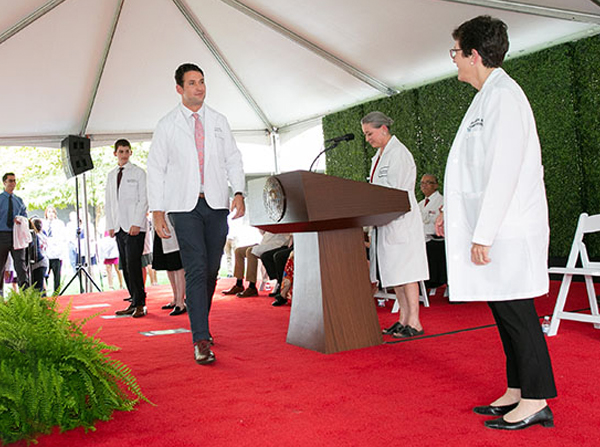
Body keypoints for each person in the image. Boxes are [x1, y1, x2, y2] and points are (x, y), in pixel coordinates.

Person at [436, 15, 556, 430]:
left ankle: (537, 398)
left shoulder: (504, 96)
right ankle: (517, 389)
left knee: (518, 311)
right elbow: (472, 171)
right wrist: (452, 215)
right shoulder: (487, 95)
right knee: (505, 311)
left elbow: (502, 170)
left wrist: (483, 233)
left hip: (507, 228)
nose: (455, 61)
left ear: (474, 54)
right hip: (492, 226)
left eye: (457, 53)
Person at [147, 63, 245, 365]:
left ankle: (199, 312)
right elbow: (156, 168)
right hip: (183, 207)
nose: (199, 87)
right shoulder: (167, 125)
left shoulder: (218, 121)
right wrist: (157, 211)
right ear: (179, 88)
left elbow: (233, 158)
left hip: (216, 204)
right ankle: (200, 338)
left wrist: (239, 191)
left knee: (213, 269)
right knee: (197, 267)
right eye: (192, 83)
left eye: (201, 82)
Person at [361, 112, 429, 338]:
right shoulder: (379, 155)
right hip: (385, 222)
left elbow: (395, 191)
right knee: (395, 274)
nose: (367, 139)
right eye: (365, 134)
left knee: (407, 272)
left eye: (370, 133)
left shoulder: (398, 153)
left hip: (401, 221)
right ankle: (403, 319)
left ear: (383, 129)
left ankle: (415, 322)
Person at [105, 139, 149, 318]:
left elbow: (143, 199)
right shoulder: (111, 175)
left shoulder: (139, 173)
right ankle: (133, 299)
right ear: (115, 153)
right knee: (125, 265)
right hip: (119, 226)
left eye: (126, 151)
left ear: (131, 153)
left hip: (134, 227)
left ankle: (140, 303)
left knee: (134, 264)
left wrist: (137, 222)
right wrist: (110, 225)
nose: (124, 154)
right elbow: (109, 202)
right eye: (120, 151)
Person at [222, 230, 290, 298]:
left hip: (278, 243)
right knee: (238, 251)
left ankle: (252, 287)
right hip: (266, 242)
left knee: (250, 252)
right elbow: (263, 232)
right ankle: (239, 284)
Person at [0, 173, 28, 295]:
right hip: (2, 235)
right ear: (4, 183)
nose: (13, 183)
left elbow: (25, 218)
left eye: (14, 181)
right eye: (10, 181)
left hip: (17, 236)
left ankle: (26, 296)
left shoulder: (19, 201)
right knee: (0, 266)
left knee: (21, 266)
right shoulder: (0, 199)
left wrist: (21, 219)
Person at [153, 217, 186, 316]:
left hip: (173, 221)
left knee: (177, 264)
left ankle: (181, 302)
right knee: (168, 264)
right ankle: (175, 298)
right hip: (160, 222)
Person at [418, 175, 447, 289]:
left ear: (436, 185)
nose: (424, 185)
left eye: (428, 182)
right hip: (421, 240)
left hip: (436, 240)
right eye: (422, 183)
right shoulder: (420, 204)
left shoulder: (442, 201)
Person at [44, 206, 66, 293]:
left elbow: (62, 238)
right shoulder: (43, 223)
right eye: (49, 212)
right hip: (46, 253)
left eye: (52, 212)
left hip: (56, 253)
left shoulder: (59, 224)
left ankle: (56, 293)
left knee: (57, 275)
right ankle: (44, 292)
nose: (51, 214)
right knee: (45, 275)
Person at [29, 217, 48, 294]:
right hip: (44, 260)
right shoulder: (43, 235)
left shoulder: (35, 236)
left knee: (37, 288)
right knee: (41, 285)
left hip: (38, 262)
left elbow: (34, 252)